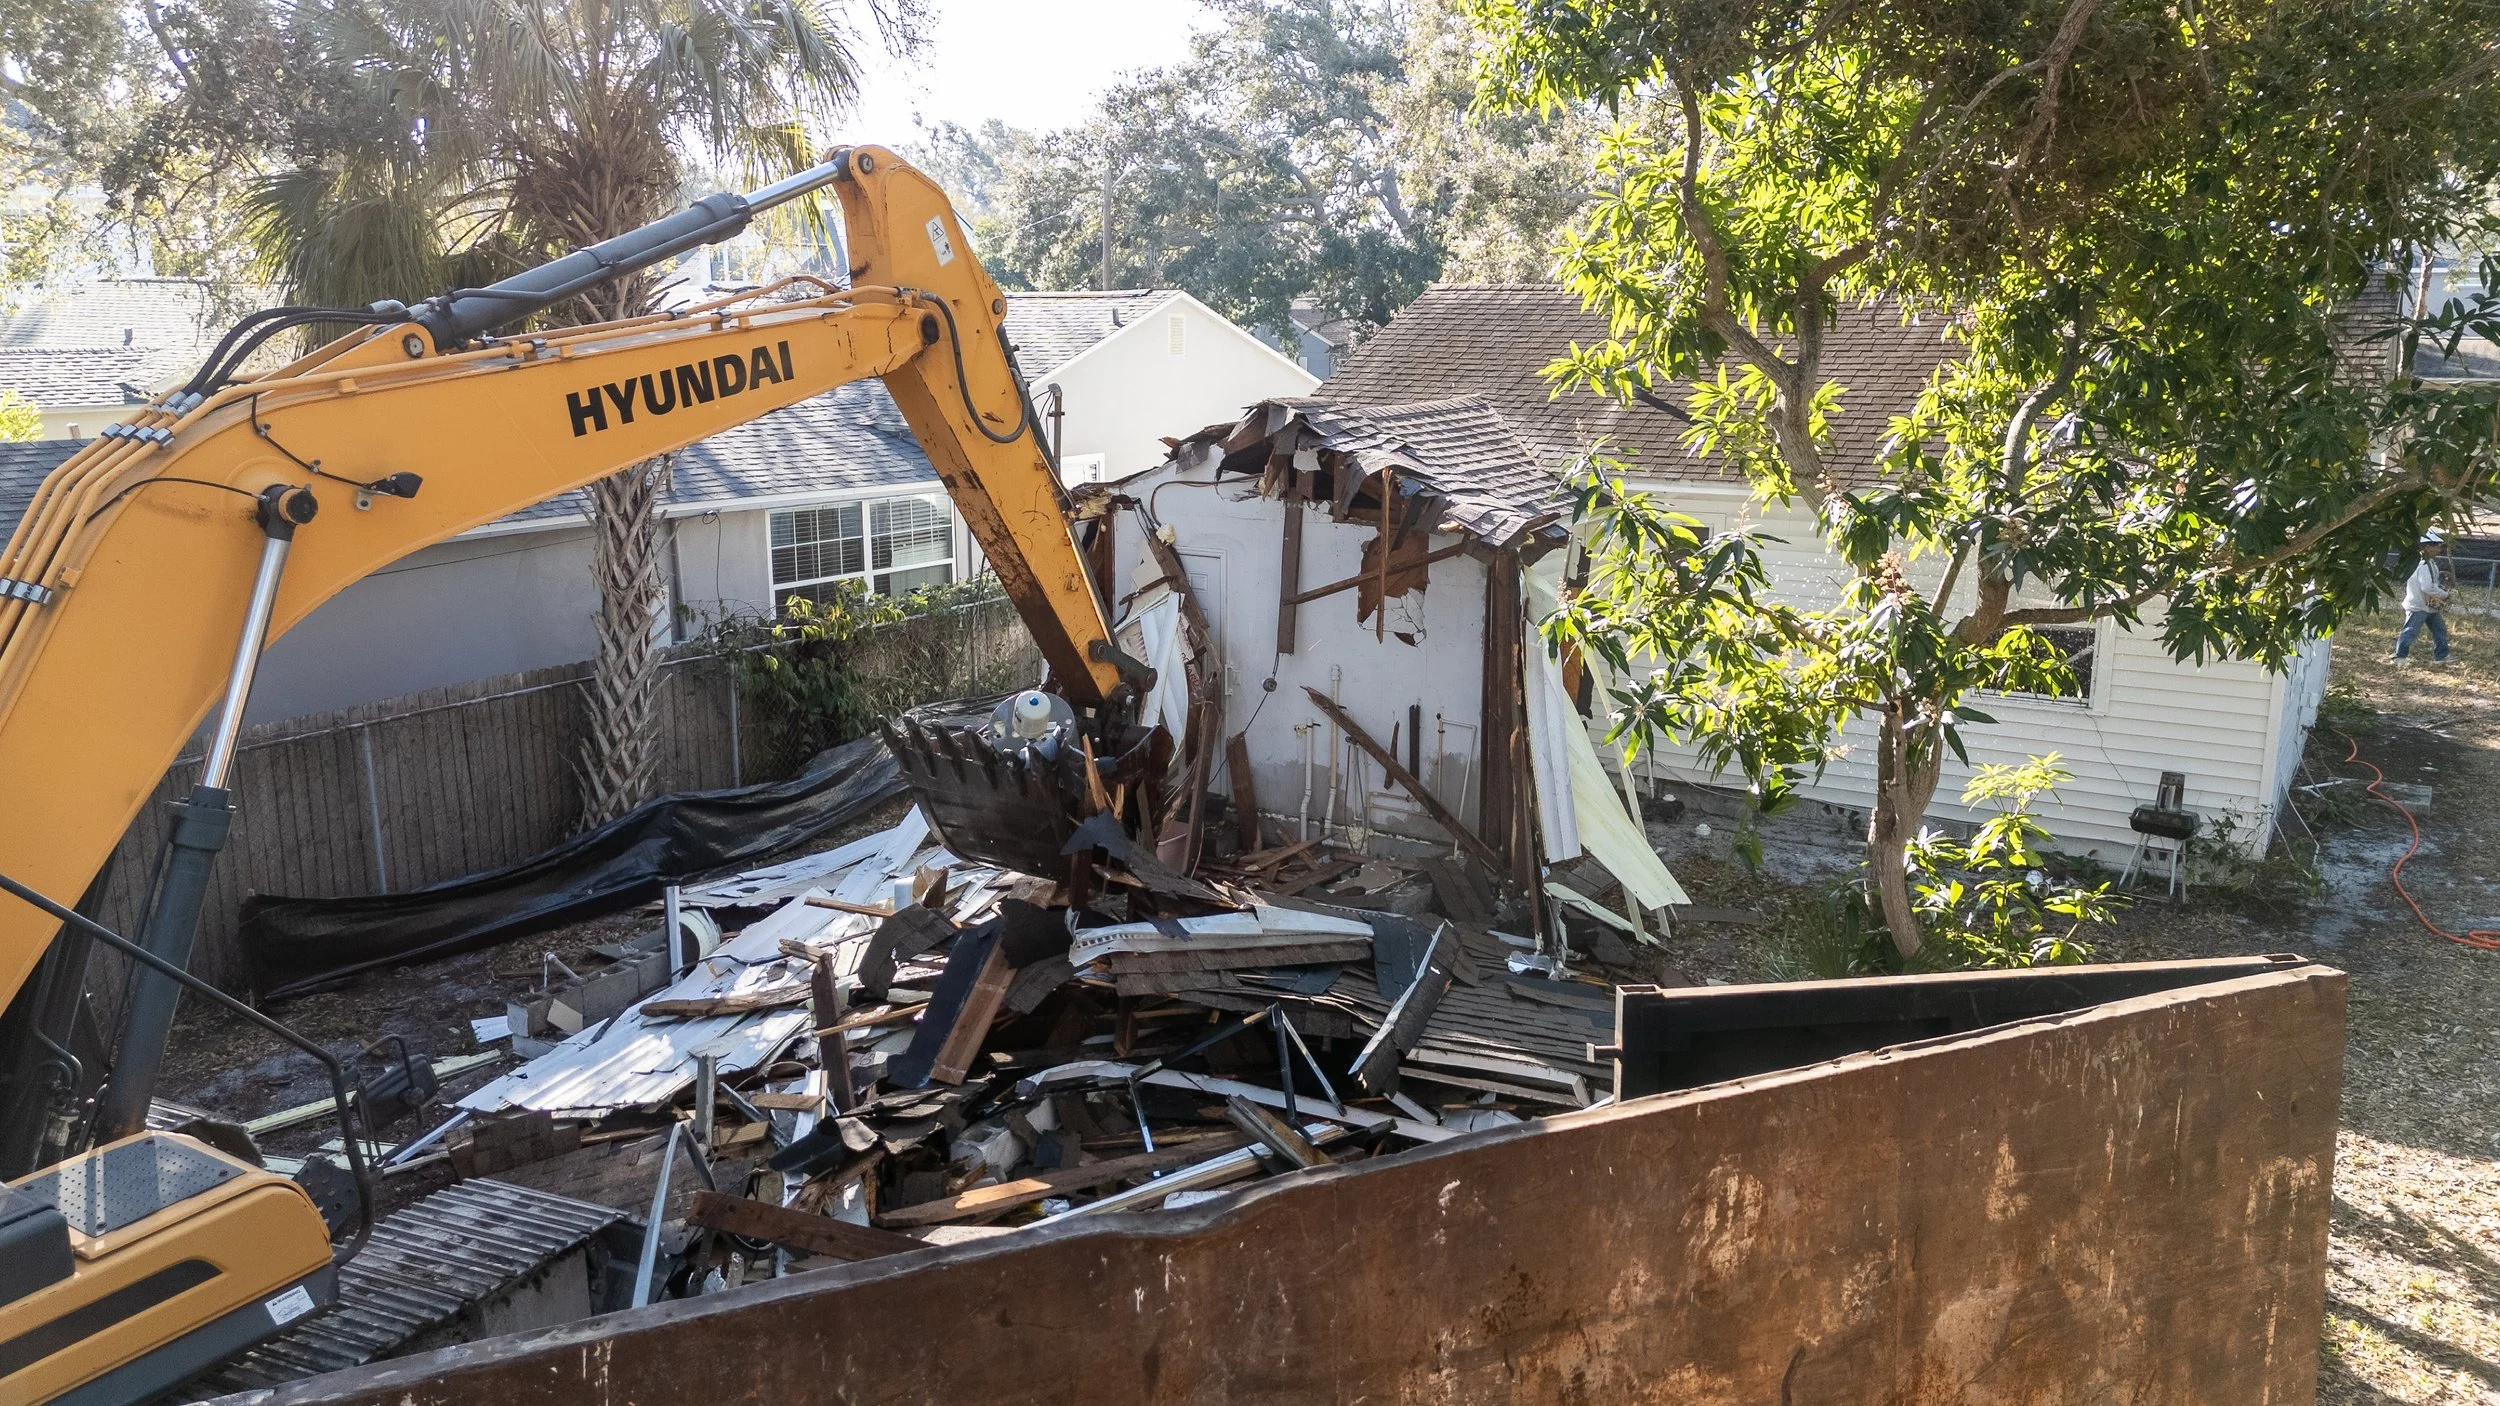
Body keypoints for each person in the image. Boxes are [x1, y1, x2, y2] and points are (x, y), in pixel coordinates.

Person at [2393, 530, 2455, 666]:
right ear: (2427, 547)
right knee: (2410, 632)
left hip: (2429, 605)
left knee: (2440, 630)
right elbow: (2427, 587)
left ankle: (2441, 656)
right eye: (2436, 545)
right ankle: (2400, 657)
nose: (2439, 549)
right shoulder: (2423, 565)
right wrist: (2444, 594)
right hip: (2419, 605)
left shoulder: (2430, 563)